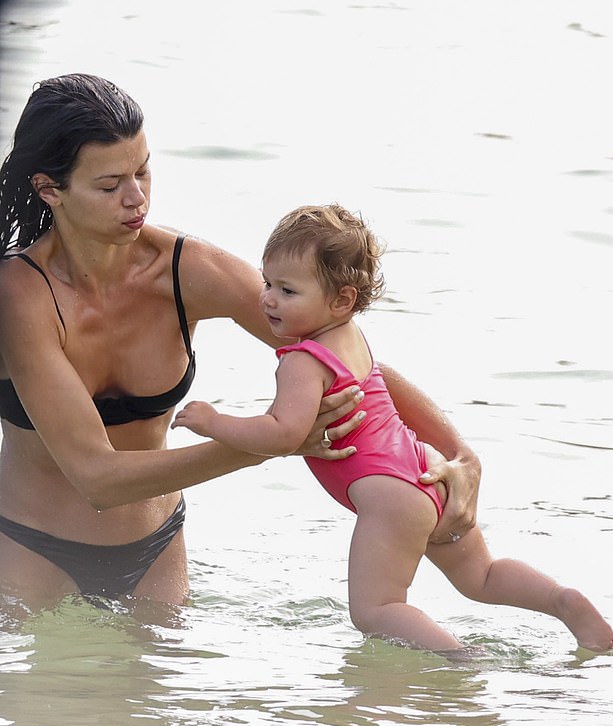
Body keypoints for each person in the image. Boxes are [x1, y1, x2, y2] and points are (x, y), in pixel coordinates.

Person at [0, 74, 481, 612]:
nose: (137, 198)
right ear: (50, 189)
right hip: (30, 550)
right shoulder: (20, 295)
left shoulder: (186, 270)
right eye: (110, 185)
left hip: (156, 550)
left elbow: (350, 367)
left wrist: (461, 455)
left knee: (152, 700)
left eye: (143, 171)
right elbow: (96, 477)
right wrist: (268, 443)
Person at [172, 204, 613, 653]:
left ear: (342, 300)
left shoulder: (303, 361)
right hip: (428, 472)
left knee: (376, 610)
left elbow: (283, 434)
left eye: (287, 290)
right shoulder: (351, 341)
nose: (267, 298)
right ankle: (562, 600)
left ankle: (460, 660)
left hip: (389, 496)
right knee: (480, 575)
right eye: (267, 282)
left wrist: (216, 422)